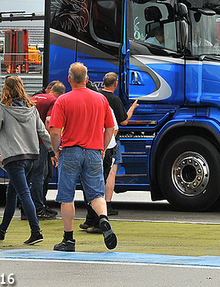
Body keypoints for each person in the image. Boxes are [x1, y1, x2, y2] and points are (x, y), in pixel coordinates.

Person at [49, 62, 117, 252]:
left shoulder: (63, 100)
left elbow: (55, 131)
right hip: (94, 151)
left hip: (70, 151)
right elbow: (110, 127)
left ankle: (68, 239)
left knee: (66, 196)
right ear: (87, 79)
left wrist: (56, 150)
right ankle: (103, 218)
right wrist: (102, 148)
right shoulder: (101, 99)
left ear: (69, 79)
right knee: (96, 194)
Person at [0, 76, 54, 245]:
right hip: (31, 156)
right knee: (12, 194)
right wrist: (52, 150)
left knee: (23, 193)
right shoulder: (32, 109)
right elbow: (43, 132)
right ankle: (2, 230)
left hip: (14, 157)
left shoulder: (3, 108)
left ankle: (36, 231)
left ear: (6, 89)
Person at [80, 72, 138, 232]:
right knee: (105, 178)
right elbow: (119, 124)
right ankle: (102, 214)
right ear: (116, 83)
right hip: (104, 147)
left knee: (88, 183)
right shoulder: (108, 102)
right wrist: (104, 148)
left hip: (89, 146)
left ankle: (91, 219)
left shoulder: (94, 102)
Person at [28, 80, 66, 219]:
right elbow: (49, 121)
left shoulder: (33, 98)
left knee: (28, 175)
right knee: (40, 175)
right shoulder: (54, 101)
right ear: (61, 94)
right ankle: (38, 208)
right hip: (40, 141)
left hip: (27, 141)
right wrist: (51, 143)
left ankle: (28, 206)